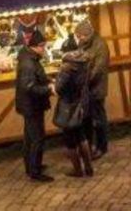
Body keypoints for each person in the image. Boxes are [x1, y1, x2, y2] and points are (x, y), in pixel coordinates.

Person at [15, 29, 53, 182]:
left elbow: (35, 79)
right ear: (35, 46)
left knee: (30, 137)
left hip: (29, 105)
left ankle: (31, 166)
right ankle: (35, 171)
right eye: (42, 46)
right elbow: (29, 87)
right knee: (37, 138)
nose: (44, 49)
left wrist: (47, 80)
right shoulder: (29, 64)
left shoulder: (29, 59)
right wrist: (48, 89)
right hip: (32, 105)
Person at [53, 48, 93, 178]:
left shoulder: (67, 68)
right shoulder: (84, 63)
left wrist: (54, 83)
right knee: (81, 136)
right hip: (79, 104)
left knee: (70, 139)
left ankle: (78, 170)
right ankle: (89, 167)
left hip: (68, 106)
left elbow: (59, 88)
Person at [75, 19, 109, 159]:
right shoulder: (85, 42)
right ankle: (88, 145)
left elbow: (98, 70)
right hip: (86, 89)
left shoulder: (100, 46)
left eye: (80, 36)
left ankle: (102, 146)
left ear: (88, 34)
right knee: (87, 118)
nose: (79, 39)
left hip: (96, 89)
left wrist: (84, 80)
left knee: (99, 119)